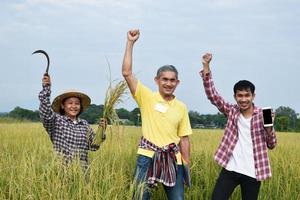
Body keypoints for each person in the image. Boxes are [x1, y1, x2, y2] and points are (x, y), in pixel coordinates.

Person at [122, 29, 192, 200]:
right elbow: (127, 73)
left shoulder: (181, 107)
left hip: (173, 160)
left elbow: (184, 138)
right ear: (157, 80)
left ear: (177, 82)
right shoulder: (147, 97)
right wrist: (130, 43)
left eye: (172, 80)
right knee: (139, 197)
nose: (168, 83)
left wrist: (186, 165)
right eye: (164, 79)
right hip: (147, 157)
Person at [200, 53, 277, 200]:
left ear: (253, 96)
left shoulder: (264, 113)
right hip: (230, 168)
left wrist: (269, 129)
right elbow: (213, 96)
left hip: (254, 172)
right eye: (240, 96)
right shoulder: (231, 111)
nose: (243, 99)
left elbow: (272, 145)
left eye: (247, 95)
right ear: (235, 97)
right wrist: (206, 66)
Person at [39, 74, 107, 171]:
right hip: (61, 172)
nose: (74, 106)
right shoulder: (56, 121)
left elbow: (94, 147)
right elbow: (45, 112)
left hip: (81, 174)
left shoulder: (84, 125)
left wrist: (102, 130)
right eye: (70, 103)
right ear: (63, 105)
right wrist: (46, 88)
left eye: (77, 103)